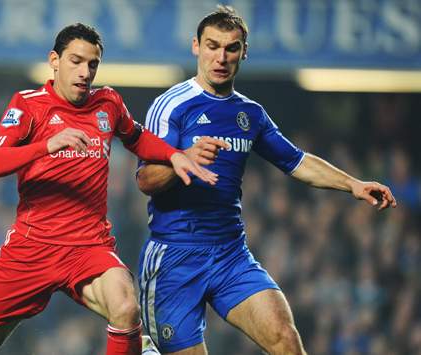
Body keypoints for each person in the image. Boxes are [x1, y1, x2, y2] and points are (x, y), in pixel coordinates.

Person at [136, 5, 397, 355]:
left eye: (231, 48)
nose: (221, 57)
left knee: (286, 341)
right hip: (175, 258)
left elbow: (296, 161)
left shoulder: (249, 113)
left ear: (244, 52)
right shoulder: (172, 106)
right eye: (212, 46)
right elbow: (146, 180)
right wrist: (182, 160)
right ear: (196, 46)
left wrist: (353, 184)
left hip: (231, 255)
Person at [0, 23, 217, 355]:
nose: (85, 72)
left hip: (87, 247)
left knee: (126, 306)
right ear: (54, 60)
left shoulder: (108, 103)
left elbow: (136, 137)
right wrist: (45, 146)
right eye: (75, 61)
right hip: (32, 249)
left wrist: (174, 155)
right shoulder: (28, 105)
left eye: (92, 64)